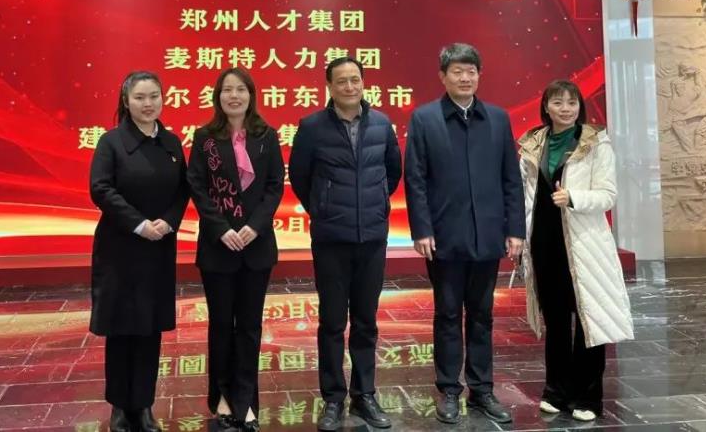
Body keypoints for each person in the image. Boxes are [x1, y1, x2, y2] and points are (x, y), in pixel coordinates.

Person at [404, 43, 525, 425]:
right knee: (447, 314)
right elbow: (415, 178)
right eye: (457, 71)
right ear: (443, 76)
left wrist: (515, 229)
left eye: (471, 71)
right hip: (444, 236)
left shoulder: (498, 119)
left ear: (479, 75)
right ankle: (449, 390)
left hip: (487, 234)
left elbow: (511, 178)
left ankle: (482, 389)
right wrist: (422, 229)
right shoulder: (425, 119)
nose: (465, 77)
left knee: (482, 314)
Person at [289, 56, 402, 432]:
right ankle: (334, 398)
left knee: (367, 321)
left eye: (355, 79)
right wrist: (323, 209)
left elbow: (392, 172)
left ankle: (365, 394)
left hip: (372, 237)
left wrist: (375, 207)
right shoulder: (311, 127)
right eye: (342, 81)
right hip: (331, 240)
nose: (349, 86)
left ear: (364, 83)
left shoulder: (382, 124)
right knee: (333, 322)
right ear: (329, 86)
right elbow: (300, 177)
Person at [518, 79, 634, 422]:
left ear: (580, 106)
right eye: (558, 102)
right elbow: (524, 194)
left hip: (585, 244)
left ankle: (588, 397)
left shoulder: (595, 142)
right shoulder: (533, 143)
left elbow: (608, 195)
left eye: (572, 102)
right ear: (546, 106)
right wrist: (521, 237)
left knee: (589, 320)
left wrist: (574, 198)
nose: (565, 109)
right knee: (555, 321)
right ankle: (556, 391)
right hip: (545, 243)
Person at [89, 71, 189, 432]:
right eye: (140, 98)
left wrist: (169, 222)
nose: (148, 104)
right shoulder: (111, 142)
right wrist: (139, 224)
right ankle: (120, 406)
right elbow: (101, 189)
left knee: (149, 328)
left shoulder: (171, 142)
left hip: (158, 248)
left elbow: (183, 190)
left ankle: (144, 405)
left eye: (154, 97)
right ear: (126, 101)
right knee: (121, 328)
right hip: (120, 248)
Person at [187, 68, 285, 432]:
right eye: (227, 90)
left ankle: (246, 402)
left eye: (240, 89)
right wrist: (222, 229)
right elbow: (197, 186)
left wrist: (254, 227)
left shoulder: (266, 136)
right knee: (220, 326)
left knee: (249, 326)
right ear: (218, 97)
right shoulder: (205, 137)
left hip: (256, 247)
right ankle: (222, 398)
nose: (234, 96)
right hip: (218, 247)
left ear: (250, 95)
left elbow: (274, 186)